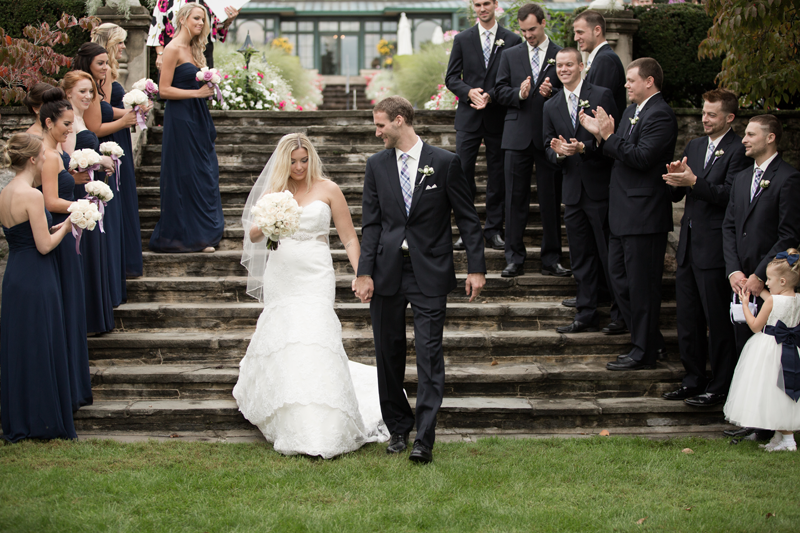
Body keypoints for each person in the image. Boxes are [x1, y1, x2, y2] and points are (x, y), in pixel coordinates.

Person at [233, 133, 389, 458]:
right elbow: (254, 234)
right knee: (288, 338)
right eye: (293, 162)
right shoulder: (274, 192)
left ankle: (325, 421)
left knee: (316, 335)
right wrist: (270, 222)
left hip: (316, 273)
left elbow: (349, 238)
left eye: (304, 160)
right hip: (282, 275)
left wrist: (361, 274)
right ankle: (290, 416)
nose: (299, 167)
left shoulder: (328, 189)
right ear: (284, 162)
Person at [354, 96, 486, 463]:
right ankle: (398, 428)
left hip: (430, 271)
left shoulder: (444, 163)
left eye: (381, 125)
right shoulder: (376, 165)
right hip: (387, 272)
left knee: (429, 354)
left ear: (400, 120)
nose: (377, 132)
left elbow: (468, 219)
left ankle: (424, 439)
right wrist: (364, 272)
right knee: (388, 353)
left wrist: (476, 268)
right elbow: (372, 224)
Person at [580, 57, 677, 371]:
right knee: (619, 282)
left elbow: (643, 157)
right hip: (622, 213)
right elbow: (617, 152)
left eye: (631, 80)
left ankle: (643, 352)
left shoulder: (661, 114)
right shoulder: (631, 111)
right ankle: (651, 341)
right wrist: (599, 136)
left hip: (645, 215)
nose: (625, 85)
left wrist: (609, 137)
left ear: (649, 81)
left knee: (642, 288)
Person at [661, 88, 751, 407]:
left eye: (712, 114)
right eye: (703, 113)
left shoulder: (739, 150)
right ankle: (693, 379)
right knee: (688, 320)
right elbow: (681, 191)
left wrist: (694, 182)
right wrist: (674, 179)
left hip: (715, 248)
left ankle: (721, 385)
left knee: (718, 321)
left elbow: (730, 195)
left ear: (730, 117)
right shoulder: (696, 145)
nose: (705, 119)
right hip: (687, 245)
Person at [721, 114, 800, 440]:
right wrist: (735, 271)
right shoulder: (741, 178)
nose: (744, 139)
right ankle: (754, 420)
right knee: (747, 351)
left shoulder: (789, 178)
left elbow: (788, 234)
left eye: (751, 134)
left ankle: (772, 424)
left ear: (770, 138)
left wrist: (758, 275)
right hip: (740, 280)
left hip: (771, 282)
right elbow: (729, 226)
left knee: (771, 357)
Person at [0, 133, 76, 442]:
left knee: (21, 345)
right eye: (43, 155)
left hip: (15, 274)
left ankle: (20, 415)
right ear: (33, 159)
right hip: (37, 275)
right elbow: (44, 246)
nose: (47, 158)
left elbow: (25, 235)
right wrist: (68, 226)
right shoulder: (32, 195)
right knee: (41, 342)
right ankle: (42, 418)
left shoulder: (5, 192)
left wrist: (52, 228)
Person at [543, 48, 618, 334]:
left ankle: (619, 313)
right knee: (580, 256)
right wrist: (559, 153)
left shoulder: (601, 95)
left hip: (600, 189)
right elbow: (546, 145)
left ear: (581, 66)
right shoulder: (550, 105)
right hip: (572, 192)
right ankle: (586, 313)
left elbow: (614, 141)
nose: (563, 69)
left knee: (609, 255)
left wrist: (584, 147)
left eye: (569, 65)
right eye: (559, 65)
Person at [494, 3, 568, 279]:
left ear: (544, 23)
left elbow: (571, 92)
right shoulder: (510, 55)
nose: (528, 35)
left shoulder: (560, 54)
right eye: (524, 30)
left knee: (551, 200)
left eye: (532, 29)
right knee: (514, 200)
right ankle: (514, 258)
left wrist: (553, 93)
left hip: (549, 138)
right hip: (516, 137)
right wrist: (520, 94)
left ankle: (552, 259)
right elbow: (499, 91)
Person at [445, 0, 521, 251]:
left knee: (497, 175)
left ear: (495, 4)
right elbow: (451, 78)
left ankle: (494, 230)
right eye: (477, 4)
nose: (482, 8)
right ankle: (467, 231)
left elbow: (514, 79)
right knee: (462, 174)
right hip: (468, 118)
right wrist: (469, 92)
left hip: (498, 117)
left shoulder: (512, 39)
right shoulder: (462, 39)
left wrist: (492, 95)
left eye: (486, 3)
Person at [149, 3, 224, 253]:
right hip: (181, 118)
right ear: (182, 19)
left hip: (198, 115)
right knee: (186, 173)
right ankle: (189, 236)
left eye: (203, 19)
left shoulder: (194, 48)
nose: (201, 23)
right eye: (196, 18)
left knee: (204, 171)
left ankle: (203, 232)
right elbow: (163, 90)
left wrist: (208, 88)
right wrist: (196, 93)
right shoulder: (172, 49)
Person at [39, 86, 95, 412]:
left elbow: (61, 185)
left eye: (72, 124)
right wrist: (81, 209)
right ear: (48, 123)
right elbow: (50, 201)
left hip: (67, 228)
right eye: (65, 124)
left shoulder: (57, 152)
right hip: (59, 232)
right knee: (68, 302)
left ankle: (73, 384)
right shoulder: (47, 155)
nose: (70, 129)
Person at [73, 42, 135, 310]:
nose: (106, 68)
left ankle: (109, 287)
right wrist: (123, 122)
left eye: (106, 63)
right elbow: (95, 127)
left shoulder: (96, 88)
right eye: (101, 63)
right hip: (89, 169)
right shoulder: (86, 92)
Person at [724, 250, 800, 452]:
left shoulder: (774, 301)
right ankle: (779, 437)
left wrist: (746, 305)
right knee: (783, 392)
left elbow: (756, 326)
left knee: (772, 391)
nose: (766, 283)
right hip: (791, 349)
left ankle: (788, 441)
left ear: (782, 281)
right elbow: (773, 298)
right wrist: (757, 291)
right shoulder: (797, 299)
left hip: (771, 349)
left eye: (769, 279)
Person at [92, 23, 144, 279]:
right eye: (120, 41)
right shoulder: (103, 73)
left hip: (118, 133)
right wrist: (129, 114)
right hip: (111, 135)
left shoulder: (107, 71)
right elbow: (102, 109)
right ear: (108, 43)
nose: (124, 46)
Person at [147, 0, 239, 71]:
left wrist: (229, 20)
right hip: (174, 52)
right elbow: (157, 26)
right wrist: (160, 54)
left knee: (204, 87)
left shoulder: (212, 2)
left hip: (203, 52)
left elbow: (216, 31)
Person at [572, 10, 625, 124]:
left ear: (597, 30)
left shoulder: (605, 60)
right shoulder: (600, 57)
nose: (575, 38)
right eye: (575, 33)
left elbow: (597, 104)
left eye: (580, 32)